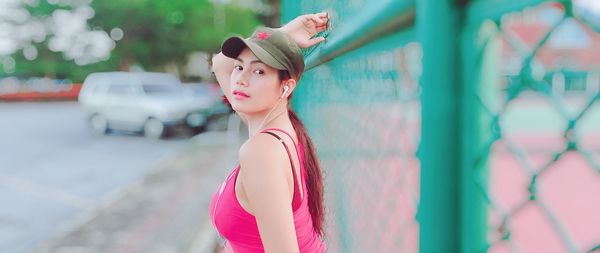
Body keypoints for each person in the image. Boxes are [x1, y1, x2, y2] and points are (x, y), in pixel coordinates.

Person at [208, 12, 329, 253]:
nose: (240, 79)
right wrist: (280, 37)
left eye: (259, 71)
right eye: (239, 67)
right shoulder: (282, 128)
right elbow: (220, 63)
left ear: (286, 86)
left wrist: (276, 40)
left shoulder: (262, 152)